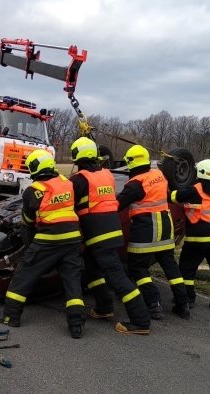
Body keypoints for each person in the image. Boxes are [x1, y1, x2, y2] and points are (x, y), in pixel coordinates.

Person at [0, 149, 87, 339]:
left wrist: (30, 252)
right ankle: (76, 324)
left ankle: (10, 315)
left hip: (49, 239)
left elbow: (27, 225)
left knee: (24, 273)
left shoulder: (33, 191)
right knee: (72, 280)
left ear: (35, 169)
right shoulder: (67, 183)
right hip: (72, 239)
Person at [68, 137, 151, 335]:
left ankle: (141, 320)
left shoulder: (79, 179)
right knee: (92, 270)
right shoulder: (106, 174)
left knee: (117, 277)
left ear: (76, 157)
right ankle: (104, 307)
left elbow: (68, 204)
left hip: (97, 235)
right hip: (111, 230)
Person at [117, 145, 190, 319]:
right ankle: (183, 304)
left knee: (138, 268)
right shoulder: (159, 176)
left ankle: (153, 304)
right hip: (165, 228)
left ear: (130, 163)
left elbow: (116, 205)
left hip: (145, 230)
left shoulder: (134, 184)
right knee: (170, 266)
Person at [170, 159, 210, 312]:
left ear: (200, 172)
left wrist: (171, 189)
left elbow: (176, 196)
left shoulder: (196, 189)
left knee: (186, 269)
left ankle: (188, 298)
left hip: (197, 240)